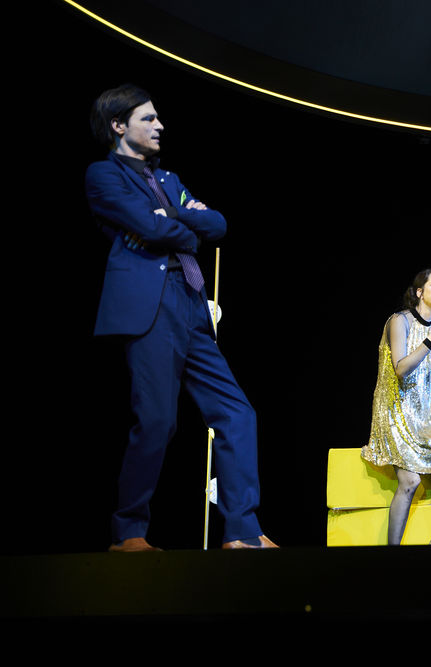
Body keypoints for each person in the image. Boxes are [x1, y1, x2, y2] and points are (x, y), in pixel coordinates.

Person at [86, 84, 276, 551]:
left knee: (237, 412)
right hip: (151, 304)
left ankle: (242, 531)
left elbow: (217, 224)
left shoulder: (169, 180)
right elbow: (149, 227)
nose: (159, 125)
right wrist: (180, 223)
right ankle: (129, 532)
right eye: (148, 118)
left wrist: (170, 216)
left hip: (191, 302)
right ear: (118, 125)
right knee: (156, 421)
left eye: (157, 118)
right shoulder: (104, 174)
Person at [361, 268, 431, 545]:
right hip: (394, 408)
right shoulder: (399, 321)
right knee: (410, 481)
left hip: (426, 409)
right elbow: (401, 370)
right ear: (419, 292)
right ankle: (393, 552)